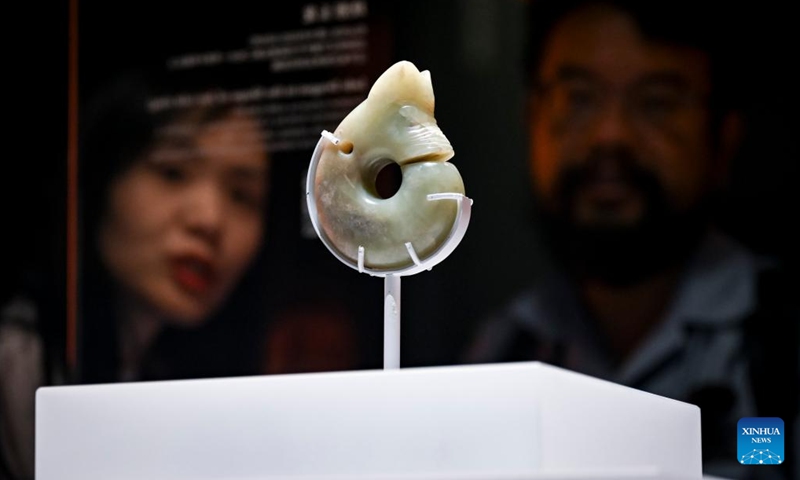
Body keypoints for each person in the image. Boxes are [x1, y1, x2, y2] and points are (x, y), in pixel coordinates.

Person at [465, 1, 798, 479]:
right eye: (578, 98)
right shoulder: (503, 350)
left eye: (657, 102)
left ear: (724, 136)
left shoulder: (779, 344)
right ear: (531, 119)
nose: (610, 135)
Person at [0, 73, 272, 478]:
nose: (209, 219)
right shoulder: (19, 362)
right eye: (172, 172)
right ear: (102, 180)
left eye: (242, 195)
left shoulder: (161, 372)